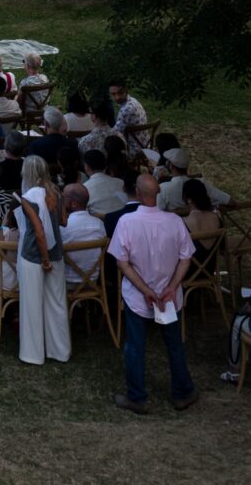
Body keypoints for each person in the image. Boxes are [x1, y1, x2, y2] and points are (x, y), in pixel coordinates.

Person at [108, 173, 197, 413]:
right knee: (174, 344)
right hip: (168, 296)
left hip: (140, 296)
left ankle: (137, 397)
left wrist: (147, 290)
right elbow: (186, 258)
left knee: (135, 346)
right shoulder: (174, 221)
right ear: (156, 194)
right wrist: (172, 286)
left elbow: (122, 262)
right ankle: (182, 392)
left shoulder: (127, 222)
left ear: (137, 194)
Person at [15, 157, 70, 366]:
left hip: (34, 255)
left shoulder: (28, 198)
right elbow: (64, 221)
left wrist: (44, 260)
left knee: (32, 304)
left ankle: (32, 353)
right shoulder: (56, 193)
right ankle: (60, 350)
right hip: (56, 253)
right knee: (56, 303)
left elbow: (38, 231)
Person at [59, 182, 106, 288]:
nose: (61, 202)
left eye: (64, 198)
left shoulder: (63, 227)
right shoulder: (99, 224)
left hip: (68, 282)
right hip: (93, 281)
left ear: (74, 203)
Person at [83, 148, 130, 220]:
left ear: (87, 167)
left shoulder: (84, 188)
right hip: (122, 221)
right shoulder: (120, 182)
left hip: (101, 225)